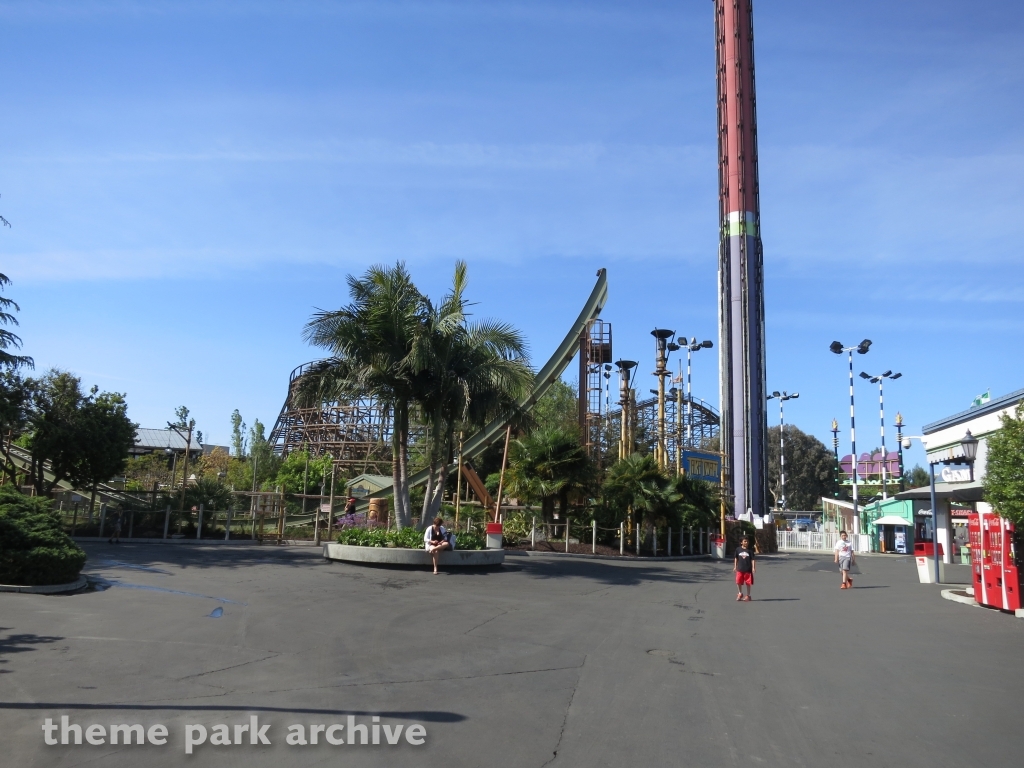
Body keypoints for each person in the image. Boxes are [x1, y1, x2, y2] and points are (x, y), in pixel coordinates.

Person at [733, 535, 755, 601]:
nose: (746, 542)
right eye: (745, 541)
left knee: (748, 583)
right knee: (738, 581)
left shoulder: (750, 550)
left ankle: (748, 595)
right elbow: (736, 558)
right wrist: (735, 566)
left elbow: (753, 559)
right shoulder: (738, 549)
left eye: (747, 541)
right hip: (740, 569)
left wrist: (753, 567)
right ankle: (740, 593)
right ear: (741, 542)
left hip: (748, 570)